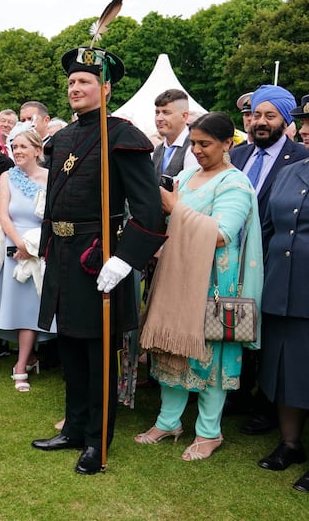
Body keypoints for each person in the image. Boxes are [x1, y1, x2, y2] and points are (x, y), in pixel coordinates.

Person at [31, 47, 165, 475]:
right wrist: (46, 241)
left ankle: (96, 440)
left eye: (85, 81)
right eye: (71, 82)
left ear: (105, 89)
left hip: (99, 258)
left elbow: (149, 213)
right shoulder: (62, 139)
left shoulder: (123, 135)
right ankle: (73, 427)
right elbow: (54, 202)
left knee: (97, 354)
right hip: (63, 257)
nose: (75, 88)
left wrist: (125, 260)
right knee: (70, 347)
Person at [136, 112, 263, 461]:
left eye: (204, 144)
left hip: (214, 284)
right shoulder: (188, 174)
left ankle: (209, 433)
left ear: (227, 144)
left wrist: (175, 208)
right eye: (193, 143)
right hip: (177, 277)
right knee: (170, 351)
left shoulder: (234, 184)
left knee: (209, 358)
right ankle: (168, 421)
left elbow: (222, 234)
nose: (197, 150)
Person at [228, 84, 309, 435]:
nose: (260, 122)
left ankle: (266, 407)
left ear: (285, 119)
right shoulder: (238, 155)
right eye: (255, 115)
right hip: (238, 257)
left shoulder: (297, 158)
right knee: (239, 325)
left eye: (269, 116)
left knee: (276, 341)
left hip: (279, 264)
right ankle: (239, 393)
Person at [256, 152, 309, 492]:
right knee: (286, 368)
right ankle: (290, 444)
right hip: (282, 288)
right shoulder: (290, 172)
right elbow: (267, 228)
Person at [0, 130, 56, 391]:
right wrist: (20, 243)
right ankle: (26, 358)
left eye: (23, 146)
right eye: (14, 146)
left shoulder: (51, 178)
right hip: (14, 249)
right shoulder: (7, 177)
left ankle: (21, 365)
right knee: (16, 306)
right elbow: (3, 214)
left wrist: (37, 247)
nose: (17, 151)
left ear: (37, 150)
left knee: (33, 307)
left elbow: (53, 216)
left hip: (42, 249)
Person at [152, 88, 199, 177]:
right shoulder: (158, 150)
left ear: (184, 116)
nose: (159, 118)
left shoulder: (195, 147)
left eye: (166, 113)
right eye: (157, 113)